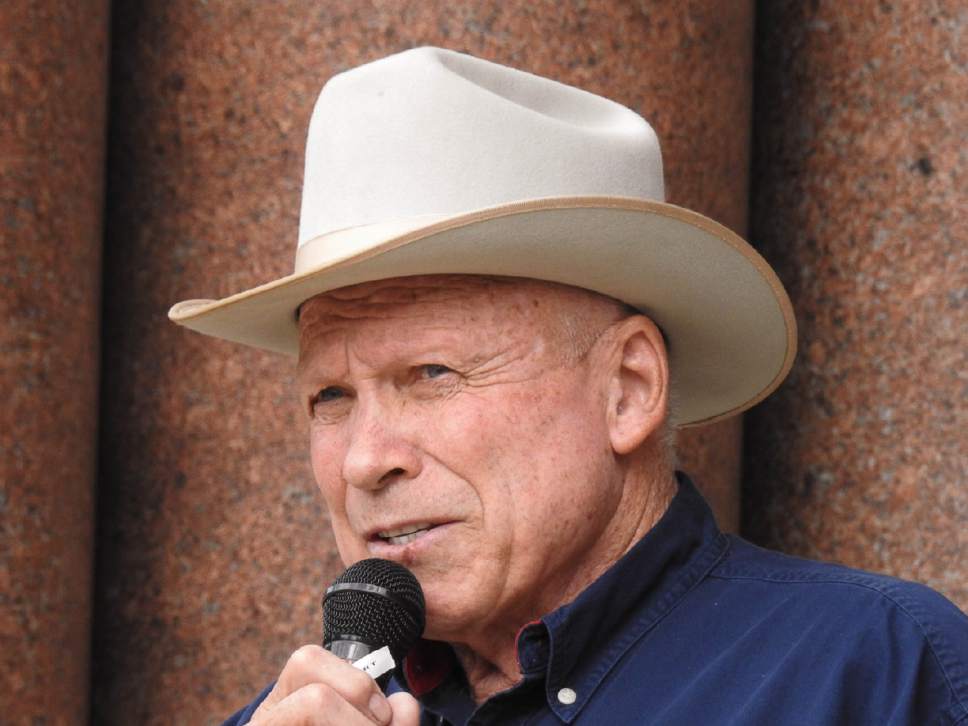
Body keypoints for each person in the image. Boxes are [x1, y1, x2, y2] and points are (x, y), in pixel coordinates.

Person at [169, 47, 968, 726]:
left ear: (628, 388)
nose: (363, 461)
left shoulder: (872, 674)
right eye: (330, 398)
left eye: (432, 374)